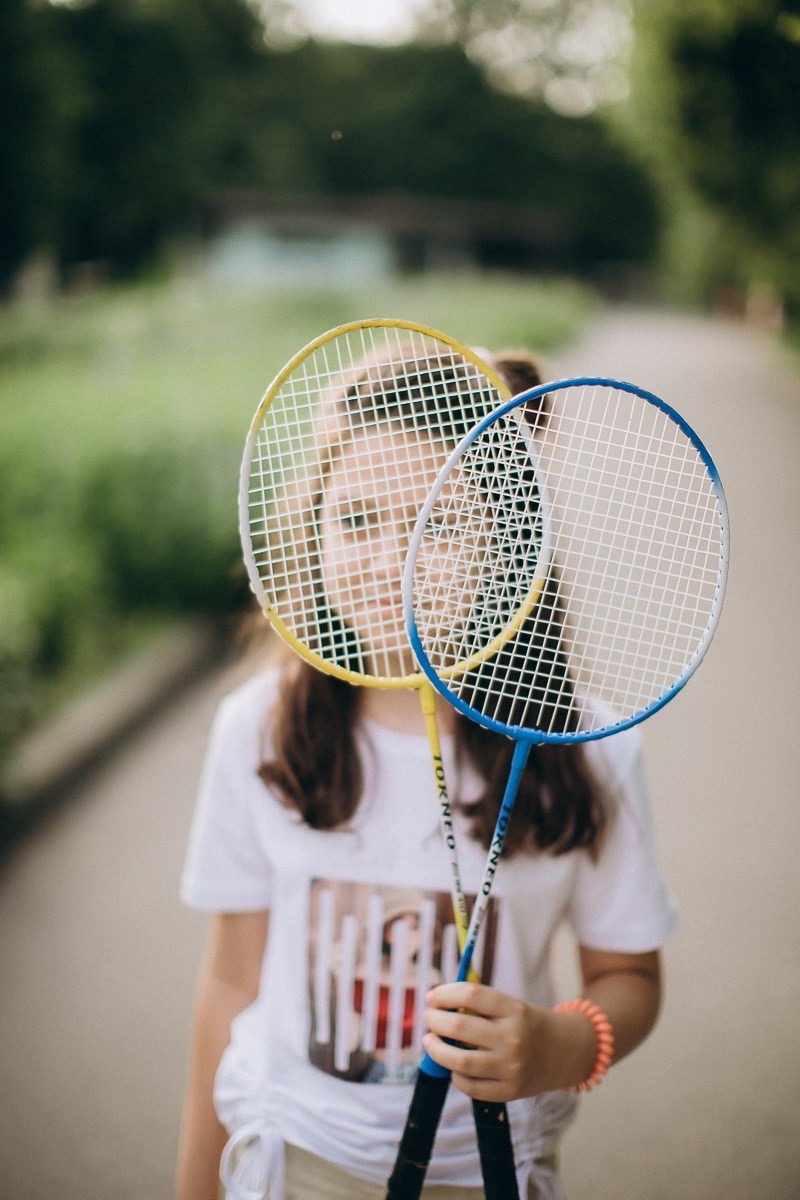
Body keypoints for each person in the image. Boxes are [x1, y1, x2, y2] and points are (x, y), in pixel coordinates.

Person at [176, 344, 677, 1200]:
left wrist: (559, 1047)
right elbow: (232, 979)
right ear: (313, 528)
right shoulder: (256, 732)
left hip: (490, 1171)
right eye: (357, 520)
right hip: (290, 1157)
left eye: (437, 524)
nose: (390, 565)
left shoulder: (587, 748)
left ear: (511, 540)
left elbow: (627, 979)